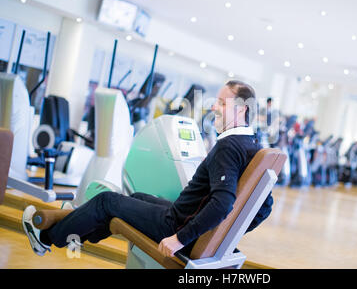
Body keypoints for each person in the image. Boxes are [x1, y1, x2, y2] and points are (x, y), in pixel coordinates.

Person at [22, 80, 273, 259]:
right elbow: (265, 206)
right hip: (183, 219)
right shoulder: (252, 145)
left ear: (241, 110)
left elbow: (222, 204)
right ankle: (81, 229)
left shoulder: (228, 147)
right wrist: (224, 234)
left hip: (174, 226)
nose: (214, 108)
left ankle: (45, 239)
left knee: (106, 201)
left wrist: (182, 238)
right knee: (136, 197)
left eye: (221, 103)